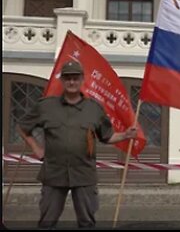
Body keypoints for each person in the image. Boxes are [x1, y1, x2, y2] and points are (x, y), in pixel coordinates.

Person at [17, 61, 138, 229]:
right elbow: (23, 127)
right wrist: (36, 148)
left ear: (82, 80)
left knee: (87, 223)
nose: (72, 82)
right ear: (62, 81)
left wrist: (125, 135)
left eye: (75, 78)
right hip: (54, 174)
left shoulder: (94, 108)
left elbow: (106, 136)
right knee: (47, 222)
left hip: (84, 175)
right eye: (67, 78)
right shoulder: (46, 106)